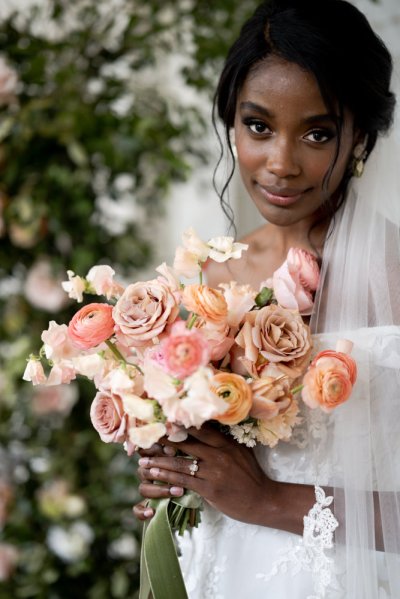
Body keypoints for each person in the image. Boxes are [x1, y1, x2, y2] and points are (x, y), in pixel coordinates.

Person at [133, 1, 400, 597]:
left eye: (317, 133)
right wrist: (172, 463)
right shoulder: (209, 276)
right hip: (220, 571)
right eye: (259, 126)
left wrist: (268, 500)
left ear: (361, 135)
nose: (281, 164)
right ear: (231, 121)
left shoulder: (396, 275)